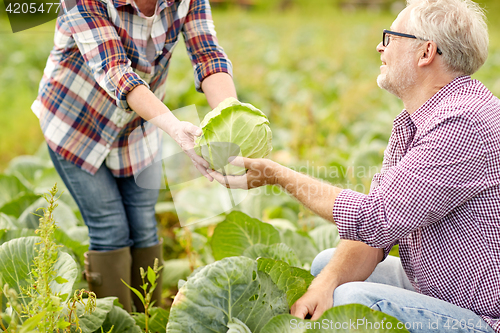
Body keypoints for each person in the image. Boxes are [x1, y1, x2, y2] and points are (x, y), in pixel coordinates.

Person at [209, 0, 500, 331]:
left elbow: (373, 218)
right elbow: (378, 234)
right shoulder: (416, 121)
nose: (380, 46)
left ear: (425, 53)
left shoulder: (462, 122)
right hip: (441, 288)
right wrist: (326, 282)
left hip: (484, 317)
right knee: (325, 269)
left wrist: (278, 175)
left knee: (353, 301)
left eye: (390, 37)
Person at [32, 0, 236, 312]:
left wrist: (232, 118)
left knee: (143, 227)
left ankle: (146, 320)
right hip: (75, 124)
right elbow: (115, 71)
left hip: (139, 128)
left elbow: (207, 54)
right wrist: (174, 126)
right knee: (110, 228)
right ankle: (115, 323)